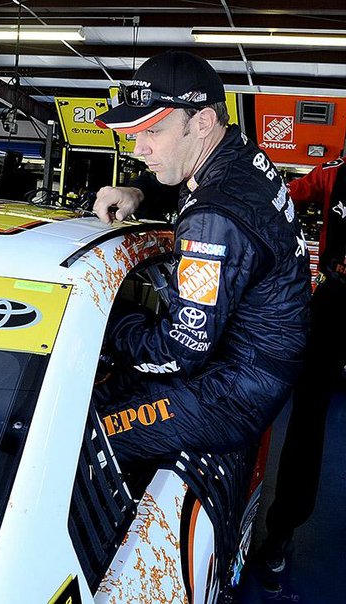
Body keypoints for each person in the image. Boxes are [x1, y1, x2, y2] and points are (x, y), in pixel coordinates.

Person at [89, 50, 311, 465]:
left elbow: (179, 351)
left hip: (236, 390)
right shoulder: (235, 148)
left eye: (152, 131)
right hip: (259, 361)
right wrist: (138, 191)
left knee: (77, 434)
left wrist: (104, 322)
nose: (139, 148)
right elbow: (188, 177)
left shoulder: (213, 220)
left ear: (202, 121)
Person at [252, 156, 346, 588]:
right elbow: (282, 197)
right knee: (307, 419)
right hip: (333, 303)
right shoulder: (334, 174)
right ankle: (281, 532)